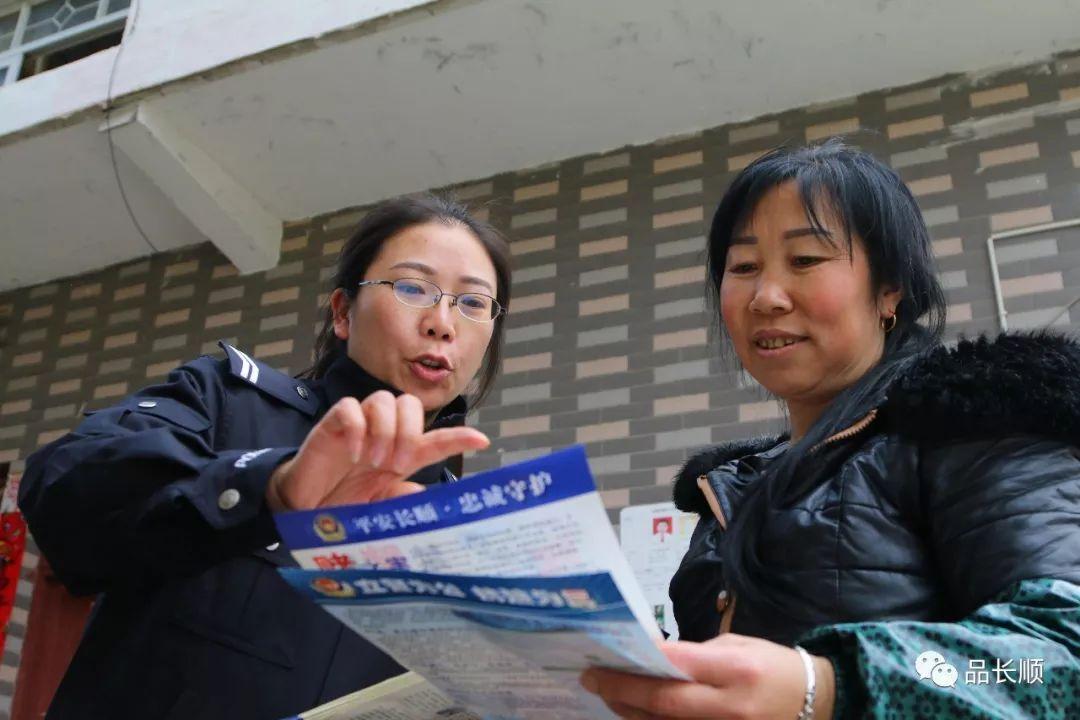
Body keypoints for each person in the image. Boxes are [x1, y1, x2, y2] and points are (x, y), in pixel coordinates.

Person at [580, 141, 1080, 718]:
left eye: (806, 260)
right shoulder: (730, 490)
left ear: (889, 289)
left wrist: (829, 683)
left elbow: (1053, 658)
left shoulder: (980, 425)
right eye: (742, 267)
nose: (765, 296)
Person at [20, 194, 512, 719]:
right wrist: (269, 489)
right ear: (343, 313)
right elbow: (62, 487)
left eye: (473, 303)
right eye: (413, 288)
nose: (443, 323)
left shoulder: (468, 534)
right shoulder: (227, 403)